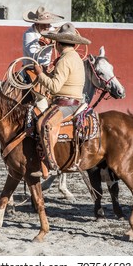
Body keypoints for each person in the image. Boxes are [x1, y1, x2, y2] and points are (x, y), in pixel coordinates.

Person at [30, 22, 91, 178]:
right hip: (74, 101)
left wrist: (39, 74)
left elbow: (55, 87)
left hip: (66, 104)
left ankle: (51, 164)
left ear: (57, 43)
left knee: (43, 124)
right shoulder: (74, 57)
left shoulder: (64, 59)